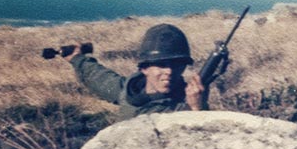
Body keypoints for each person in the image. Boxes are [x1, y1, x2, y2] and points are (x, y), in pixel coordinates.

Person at [65, 23, 207, 120]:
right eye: (161, 65)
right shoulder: (129, 91)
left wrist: (197, 109)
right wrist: (77, 58)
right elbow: (98, 77)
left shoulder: (186, 103)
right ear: (144, 68)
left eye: (176, 65)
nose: (169, 71)